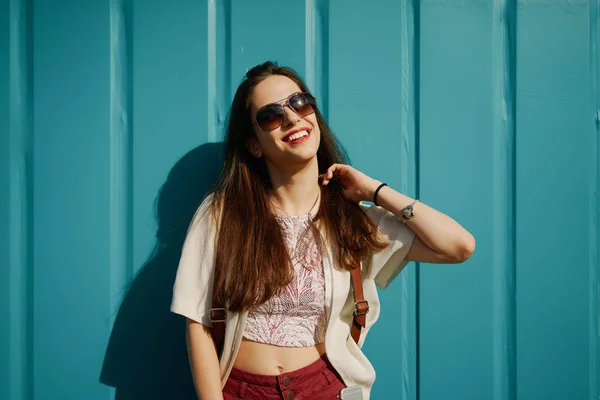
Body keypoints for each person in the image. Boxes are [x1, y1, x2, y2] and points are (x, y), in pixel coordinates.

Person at [170, 61, 475, 400]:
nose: (291, 118)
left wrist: (374, 190)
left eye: (299, 102)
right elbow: (197, 322)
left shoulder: (352, 220)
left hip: (325, 388)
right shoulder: (223, 214)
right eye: (270, 115)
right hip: (241, 391)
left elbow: (458, 246)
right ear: (254, 144)